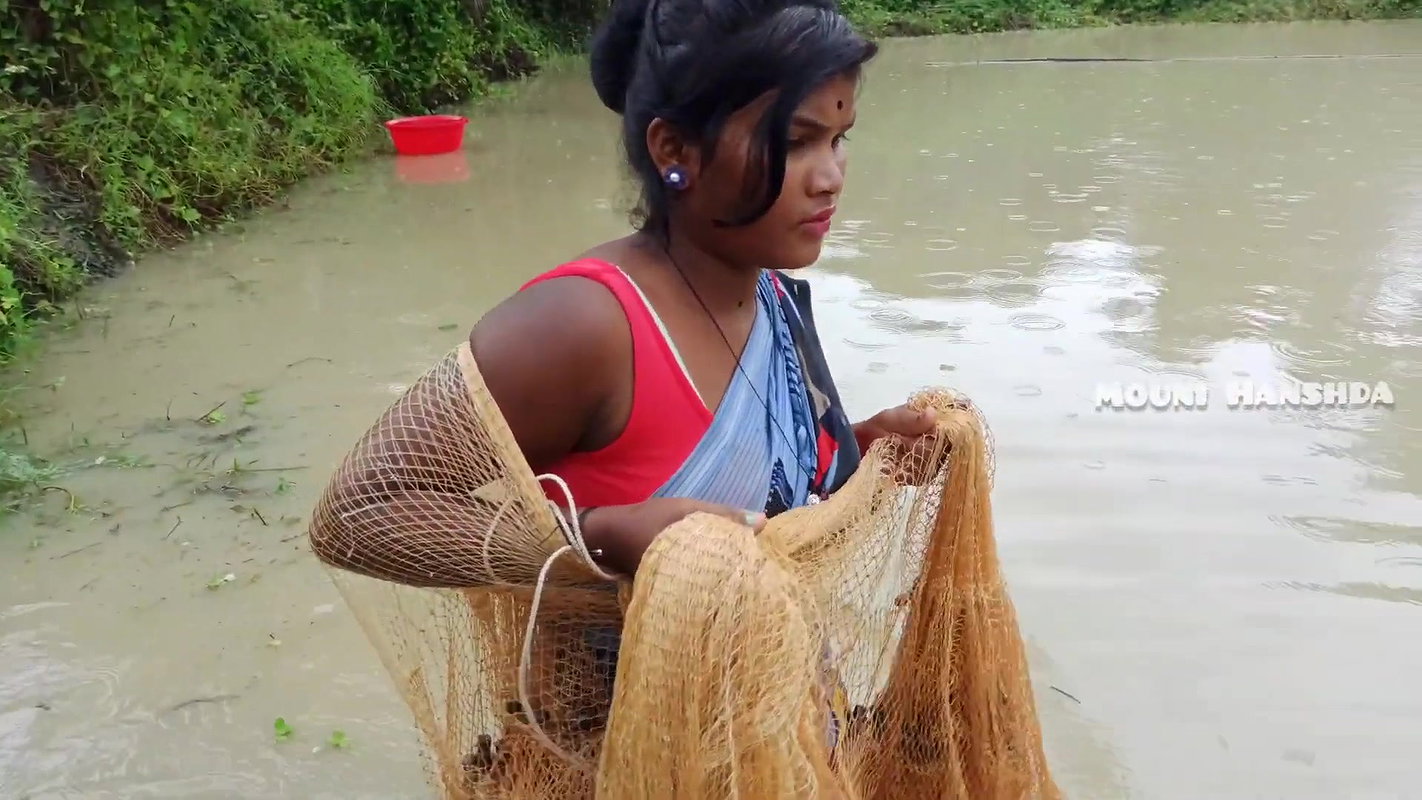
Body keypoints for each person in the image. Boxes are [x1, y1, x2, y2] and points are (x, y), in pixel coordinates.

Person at [465, 0, 938, 581]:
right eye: (794, 142)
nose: (830, 177)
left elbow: (766, 501)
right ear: (676, 151)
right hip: (612, 674)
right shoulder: (588, 324)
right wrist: (597, 535)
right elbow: (365, 513)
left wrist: (862, 453)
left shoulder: (772, 299)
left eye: (838, 139)